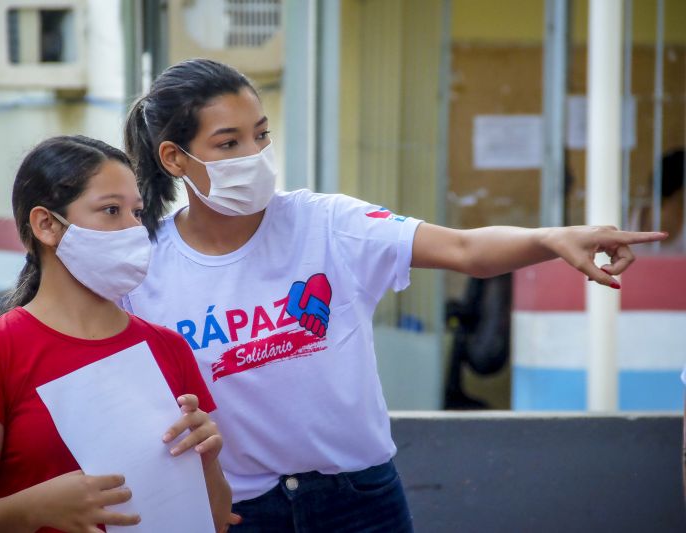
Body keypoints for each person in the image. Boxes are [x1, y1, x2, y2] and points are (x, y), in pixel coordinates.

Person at [122, 59, 667, 532]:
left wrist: (551, 238)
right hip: (236, 510)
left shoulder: (327, 223)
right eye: (229, 142)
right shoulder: (144, 270)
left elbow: (464, 249)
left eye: (261, 134)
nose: (255, 153)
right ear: (174, 158)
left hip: (358, 499)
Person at [0, 136, 235, 533]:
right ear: (46, 225)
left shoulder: (167, 347)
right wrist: (36, 508)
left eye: (136, 213)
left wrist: (207, 453)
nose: (133, 229)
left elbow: (216, 519)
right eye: (111, 210)